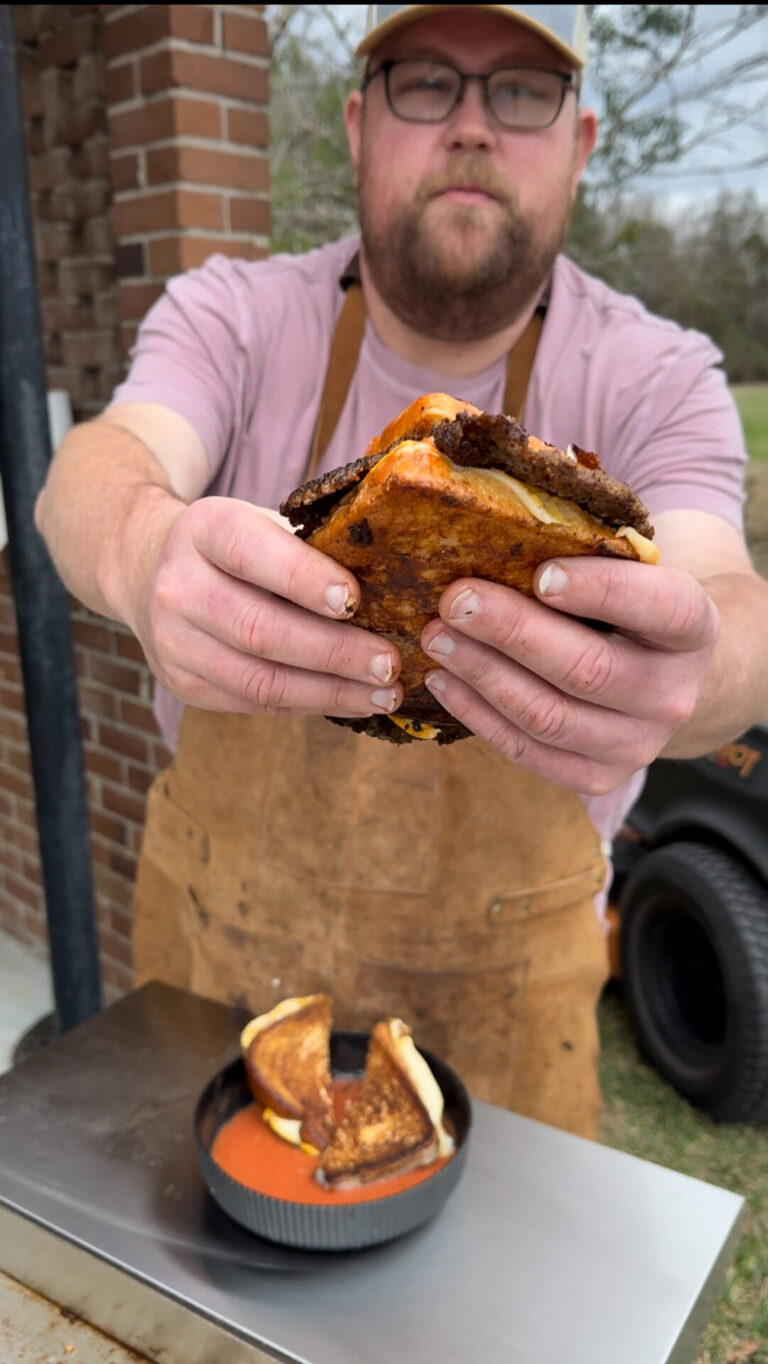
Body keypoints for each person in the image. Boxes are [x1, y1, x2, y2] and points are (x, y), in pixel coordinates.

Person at [35, 4, 768, 1138]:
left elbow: (728, 595)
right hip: (211, 971)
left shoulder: (657, 376)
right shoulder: (234, 313)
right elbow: (96, 466)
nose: (472, 126)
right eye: (427, 82)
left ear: (579, 141)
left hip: (511, 1010)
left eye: (521, 89)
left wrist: (697, 663)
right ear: (357, 124)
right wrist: (139, 549)